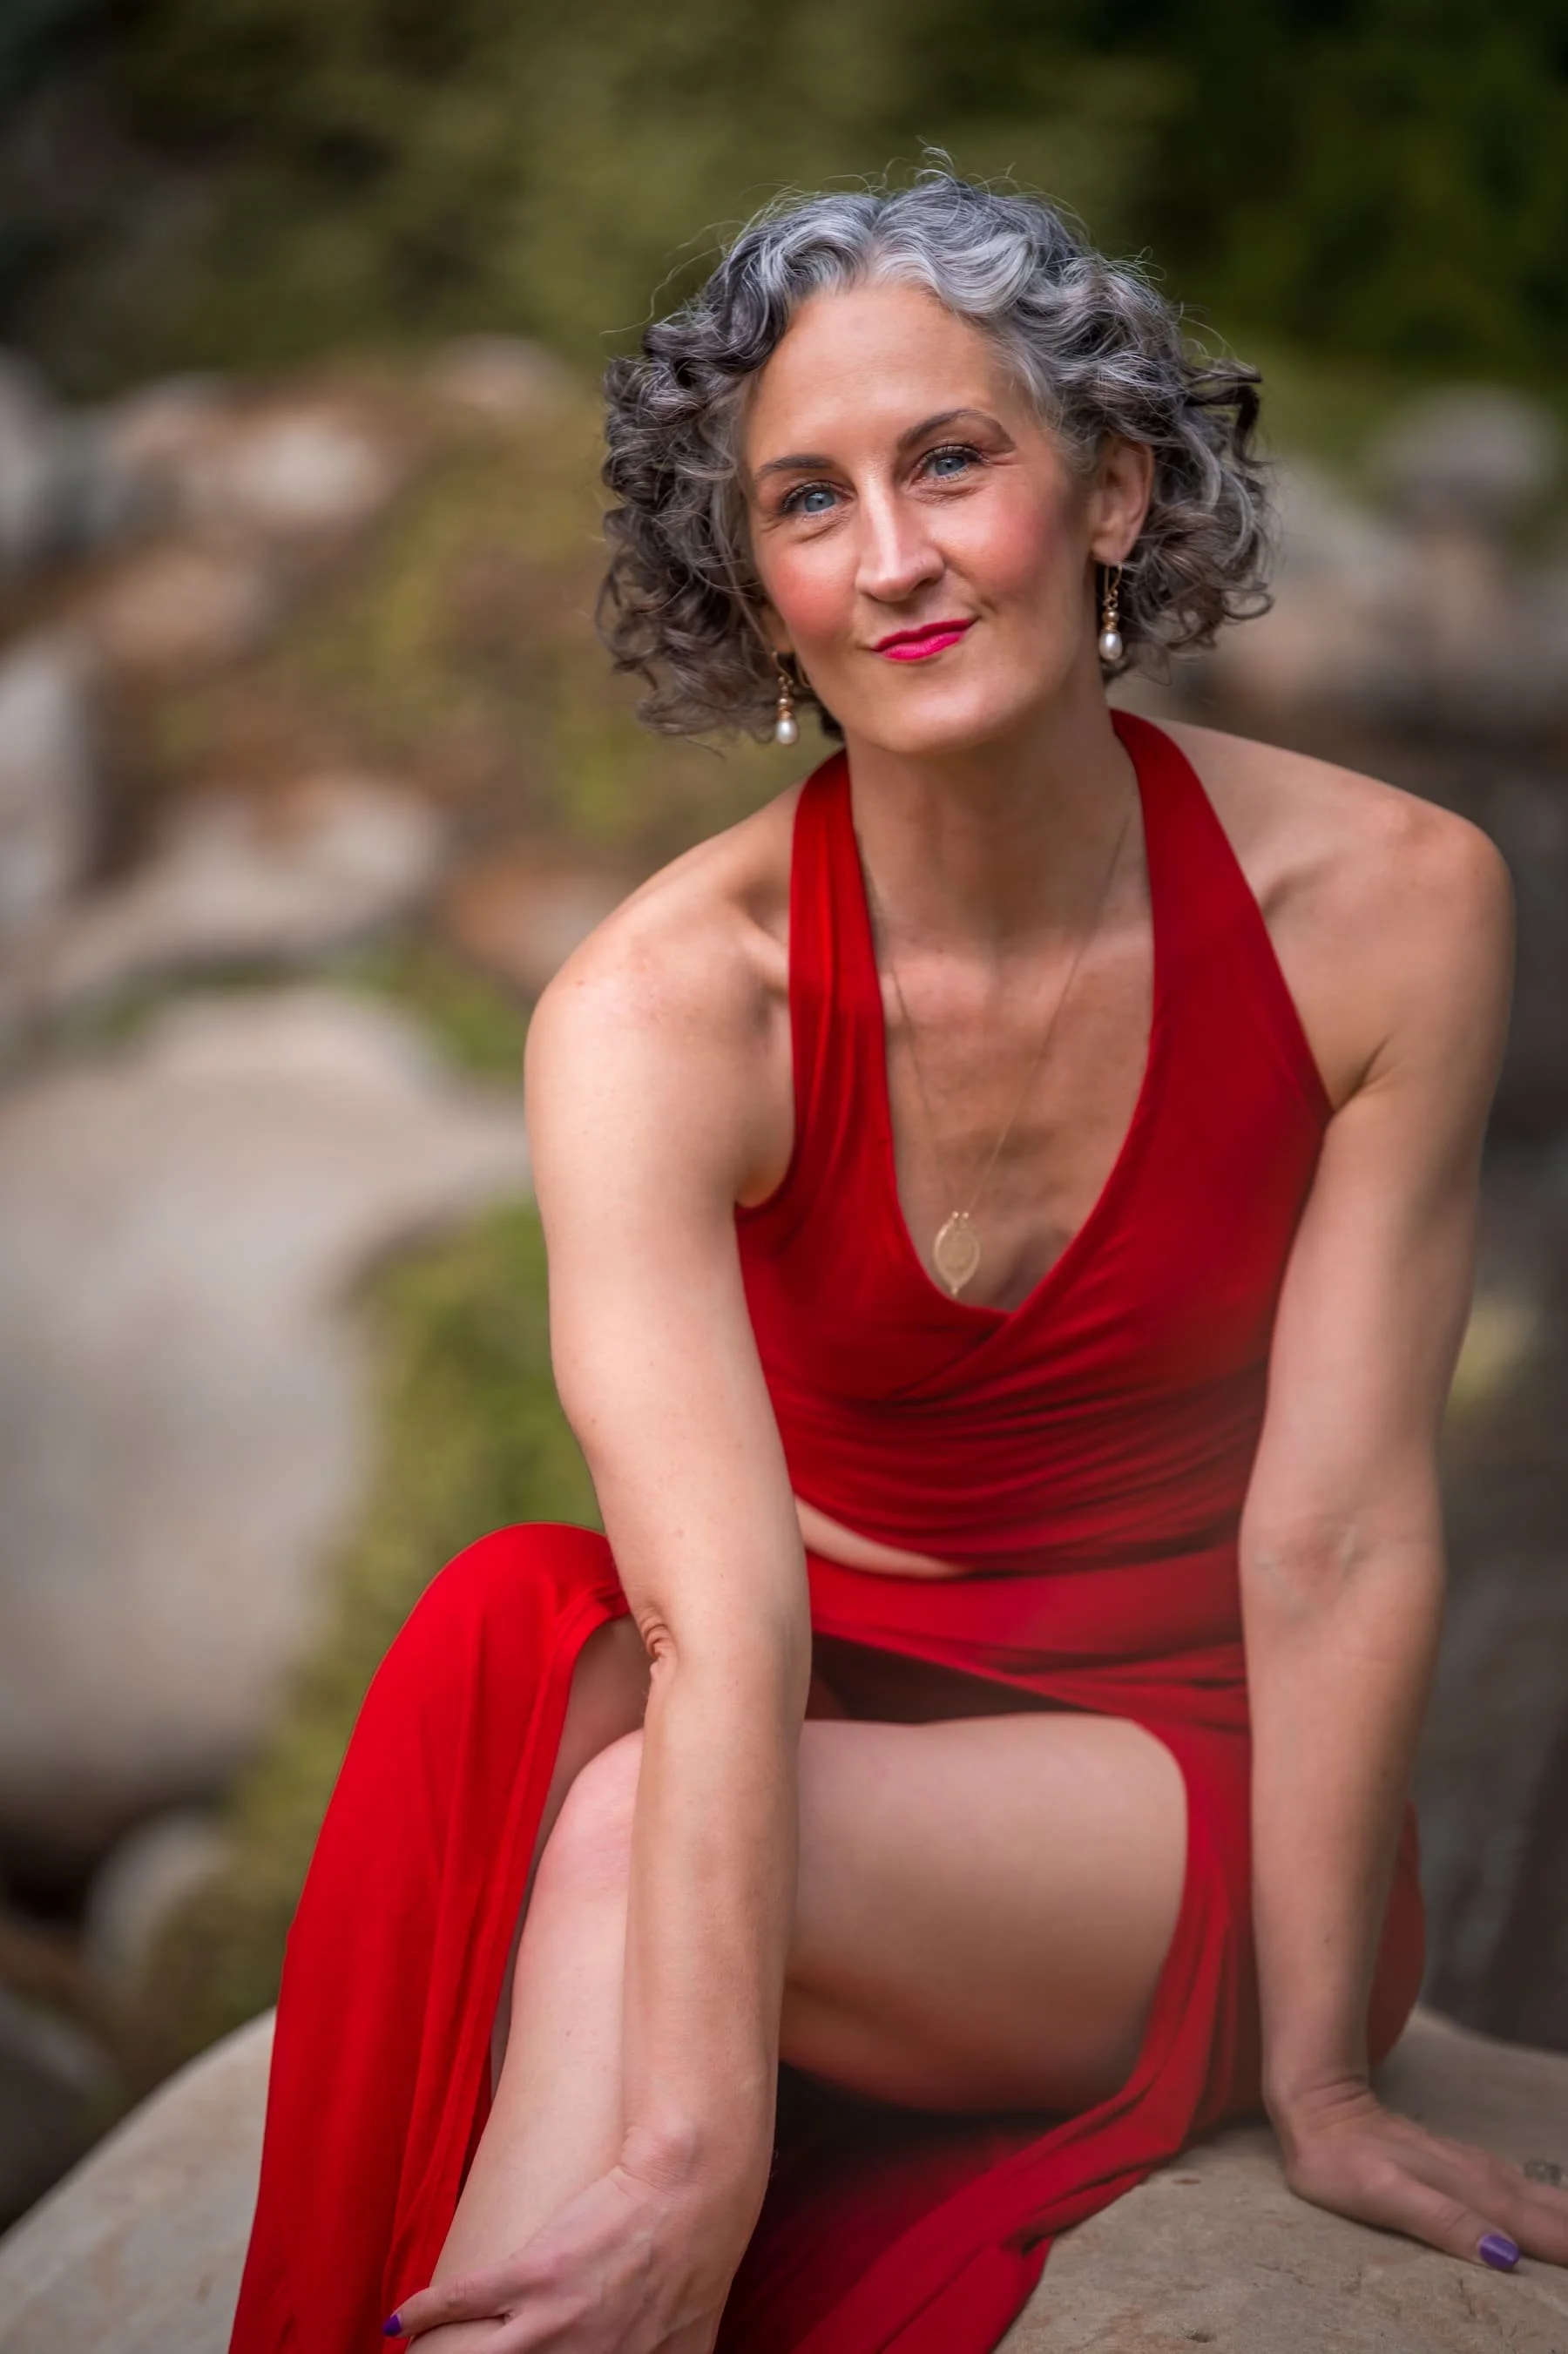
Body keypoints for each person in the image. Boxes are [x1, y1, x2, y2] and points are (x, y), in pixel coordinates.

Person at [229, 172, 1568, 2354]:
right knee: (515, 1645)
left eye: (953, 459)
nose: (897, 563)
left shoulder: (1394, 903)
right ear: (753, 587)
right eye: (808, 504)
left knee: (620, 1831)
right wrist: (692, 2145)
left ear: (1116, 485)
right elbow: (716, 1612)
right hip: (792, 1682)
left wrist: (1322, 2080)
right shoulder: (664, 1009)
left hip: (1168, 1777)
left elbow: (1333, 1534)